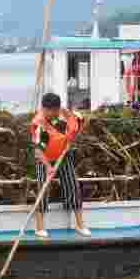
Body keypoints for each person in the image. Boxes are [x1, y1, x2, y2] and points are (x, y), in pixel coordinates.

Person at [29, 92, 90, 238]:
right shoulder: (38, 124)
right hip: (44, 158)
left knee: (72, 185)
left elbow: (80, 121)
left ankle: (80, 225)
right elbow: (38, 151)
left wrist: (71, 138)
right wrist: (48, 167)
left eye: (54, 111)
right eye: (47, 110)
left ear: (57, 109)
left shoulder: (64, 114)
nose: (50, 113)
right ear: (44, 109)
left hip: (63, 155)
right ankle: (39, 227)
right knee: (43, 189)